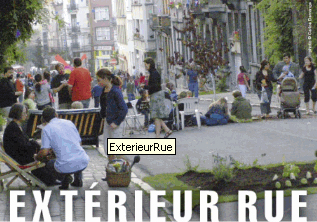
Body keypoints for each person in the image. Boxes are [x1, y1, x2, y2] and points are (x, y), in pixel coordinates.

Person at [35, 106, 90, 189]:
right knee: (73, 152)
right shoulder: (69, 123)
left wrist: (37, 157)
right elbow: (79, 143)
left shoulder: (46, 129)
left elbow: (44, 152)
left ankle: (64, 178)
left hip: (65, 166)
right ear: (56, 115)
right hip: (83, 161)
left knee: (50, 163)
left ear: (44, 119)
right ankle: (77, 179)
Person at [3, 104, 58, 186]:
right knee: (42, 156)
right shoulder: (13, 128)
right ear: (18, 114)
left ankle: (49, 179)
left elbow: (23, 143)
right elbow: (23, 145)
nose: (26, 115)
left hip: (18, 155)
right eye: (24, 113)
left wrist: (34, 144)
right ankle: (49, 179)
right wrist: (36, 146)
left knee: (42, 153)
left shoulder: (14, 126)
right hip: (19, 158)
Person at [97, 68, 128, 163]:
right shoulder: (103, 91)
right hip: (107, 121)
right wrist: (102, 118)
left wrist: (117, 122)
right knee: (108, 149)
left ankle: (124, 172)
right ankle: (112, 171)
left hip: (115, 123)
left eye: (99, 80)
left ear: (105, 78)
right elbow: (103, 107)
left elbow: (124, 108)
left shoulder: (115, 91)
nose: (98, 83)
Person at [141, 57, 172, 138]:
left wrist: (145, 86)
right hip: (157, 95)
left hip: (156, 96)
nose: (145, 66)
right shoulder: (154, 73)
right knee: (157, 117)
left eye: (146, 64)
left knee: (156, 116)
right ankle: (166, 130)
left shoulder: (153, 73)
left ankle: (158, 136)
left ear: (149, 64)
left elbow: (154, 87)